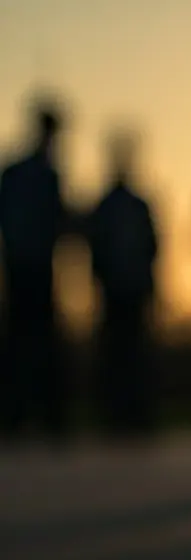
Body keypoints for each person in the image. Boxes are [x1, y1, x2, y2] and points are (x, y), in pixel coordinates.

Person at [0, 97, 71, 442]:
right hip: (29, 268)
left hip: (26, 266)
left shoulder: (18, 172)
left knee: (24, 343)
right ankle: (40, 417)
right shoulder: (40, 175)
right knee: (34, 344)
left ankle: (25, 416)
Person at [88, 130, 159, 438]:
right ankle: (116, 416)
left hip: (134, 291)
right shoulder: (106, 206)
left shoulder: (137, 205)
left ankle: (137, 416)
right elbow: (96, 247)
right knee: (116, 356)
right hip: (113, 291)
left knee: (135, 357)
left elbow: (152, 247)